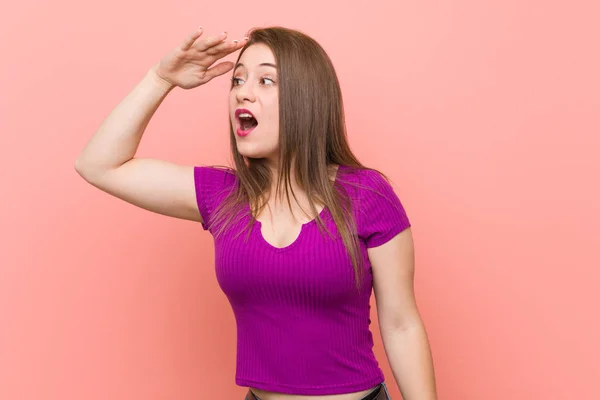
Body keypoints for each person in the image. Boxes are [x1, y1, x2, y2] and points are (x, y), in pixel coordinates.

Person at [75, 26, 437, 400]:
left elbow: (401, 325)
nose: (242, 92)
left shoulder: (366, 195)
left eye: (266, 80)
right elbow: (98, 164)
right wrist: (160, 78)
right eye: (237, 80)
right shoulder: (222, 196)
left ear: (306, 99)